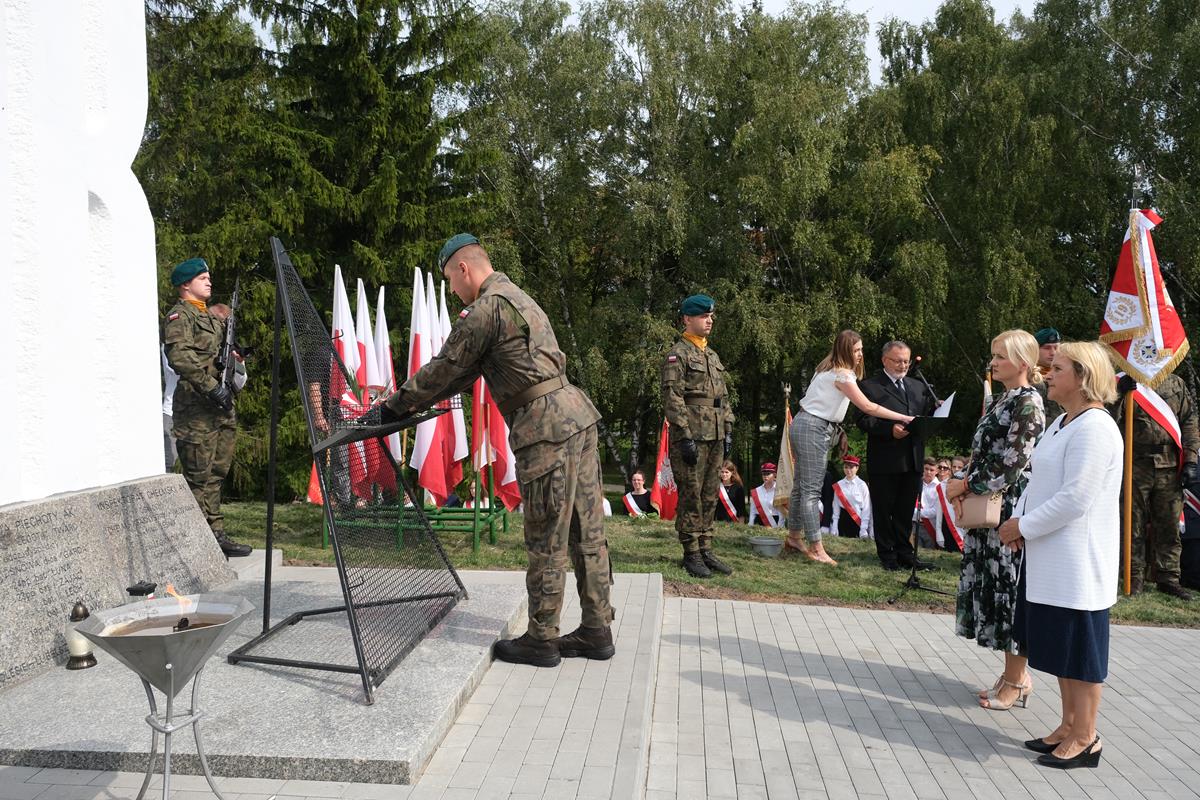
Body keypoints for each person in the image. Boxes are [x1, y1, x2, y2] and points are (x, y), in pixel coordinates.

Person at [380, 234, 615, 667]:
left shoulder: (484, 309)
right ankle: (597, 630)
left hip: (545, 428)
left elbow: (446, 367)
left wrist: (393, 406)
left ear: (463, 269)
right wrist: (412, 404)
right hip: (576, 417)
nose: (452, 289)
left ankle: (542, 639)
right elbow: (464, 374)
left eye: (451, 279)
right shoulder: (518, 297)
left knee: (546, 536)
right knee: (587, 532)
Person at [998, 341, 1122, 769]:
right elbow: (1036, 480)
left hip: (1078, 562)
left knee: (1082, 653)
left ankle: (1087, 737)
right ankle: (1069, 725)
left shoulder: (1095, 428)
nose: (1048, 374)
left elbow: (1075, 499)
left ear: (1084, 378)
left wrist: (1024, 527)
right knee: (1062, 649)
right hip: (1051, 557)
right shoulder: (1063, 422)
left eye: (1059, 368)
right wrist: (1017, 520)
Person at [944, 329, 1045, 710]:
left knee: (1008, 591)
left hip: (1008, 508)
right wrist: (960, 483)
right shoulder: (1004, 399)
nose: (993, 362)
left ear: (1022, 362)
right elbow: (983, 453)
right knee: (996, 588)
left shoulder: (1029, 403)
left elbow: (1012, 463)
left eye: (1001, 356)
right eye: (994, 355)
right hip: (990, 505)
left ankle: (1017, 680)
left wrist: (966, 485)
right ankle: (1011, 675)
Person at [788, 331, 914, 564]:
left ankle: (794, 538)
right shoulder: (843, 374)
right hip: (813, 428)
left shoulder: (826, 367)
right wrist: (904, 417)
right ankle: (816, 547)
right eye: (856, 350)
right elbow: (868, 407)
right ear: (845, 350)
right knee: (811, 491)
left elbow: (826, 404)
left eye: (861, 349)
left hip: (808, 424)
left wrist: (839, 431)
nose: (860, 355)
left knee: (800, 488)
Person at [162, 257, 252, 558]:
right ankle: (194, 541)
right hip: (196, 407)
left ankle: (215, 534)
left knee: (216, 473)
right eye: (202, 278)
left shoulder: (211, 317)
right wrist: (211, 387)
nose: (209, 282)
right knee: (198, 476)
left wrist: (235, 358)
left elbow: (216, 357)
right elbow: (180, 358)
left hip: (220, 407)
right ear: (185, 285)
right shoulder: (180, 316)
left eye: (209, 277)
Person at [661, 294, 735, 579]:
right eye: (704, 316)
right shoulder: (677, 354)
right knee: (691, 494)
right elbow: (673, 398)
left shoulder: (712, 356)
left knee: (709, 494)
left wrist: (728, 428)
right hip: (692, 435)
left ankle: (706, 548)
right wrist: (684, 436)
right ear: (687, 319)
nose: (709, 320)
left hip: (715, 434)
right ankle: (691, 552)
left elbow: (722, 397)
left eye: (711, 316)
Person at [1114, 371, 1199, 598]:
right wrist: (1118, 395)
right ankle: (1133, 577)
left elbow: (1189, 421)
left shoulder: (1175, 383)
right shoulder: (1123, 382)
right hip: (1134, 463)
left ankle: (1168, 578)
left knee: (1169, 525)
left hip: (1170, 465)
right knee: (1131, 524)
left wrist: (1190, 460)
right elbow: (1106, 419)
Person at [854, 340, 932, 570]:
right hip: (885, 459)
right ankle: (887, 556)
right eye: (897, 361)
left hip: (913, 457)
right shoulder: (869, 387)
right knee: (884, 510)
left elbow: (924, 416)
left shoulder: (918, 386)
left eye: (906, 361)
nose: (903, 365)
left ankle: (905, 554)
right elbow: (863, 419)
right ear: (884, 360)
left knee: (905, 510)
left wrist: (937, 409)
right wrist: (889, 430)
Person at [829, 455, 872, 539]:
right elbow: (836, 507)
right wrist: (834, 526)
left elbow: (866, 508)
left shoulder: (862, 485)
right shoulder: (839, 484)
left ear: (857, 468)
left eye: (851, 467)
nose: (848, 470)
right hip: (842, 522)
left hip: (858, 522)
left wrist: (863, 528)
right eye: (846, 467)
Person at [1034, 328, 1064, 423]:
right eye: (1047, 348)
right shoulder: (1029, 377)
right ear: (1035, 350)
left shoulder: (1067, 375)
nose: (1053, 353)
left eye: (1056, 348)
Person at [916, 457, 943, 549]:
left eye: (931, 470)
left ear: (937, 471)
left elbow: (935, 511)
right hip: (914, 525)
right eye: (926, 469)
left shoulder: (940, 487)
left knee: (929, 553)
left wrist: (916, 513)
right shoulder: (916, 484)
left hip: (931, 527)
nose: (928, 472)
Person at [748, 463, 785, 528]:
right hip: (758, 524)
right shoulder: (757, 491)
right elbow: (753, 511)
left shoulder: (779, 490)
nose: (765, 476)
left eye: (768, 474)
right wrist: (750, 525)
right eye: (763, 474)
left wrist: (779, 528)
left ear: (775, 475)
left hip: (775, 523)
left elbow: (781, 513)